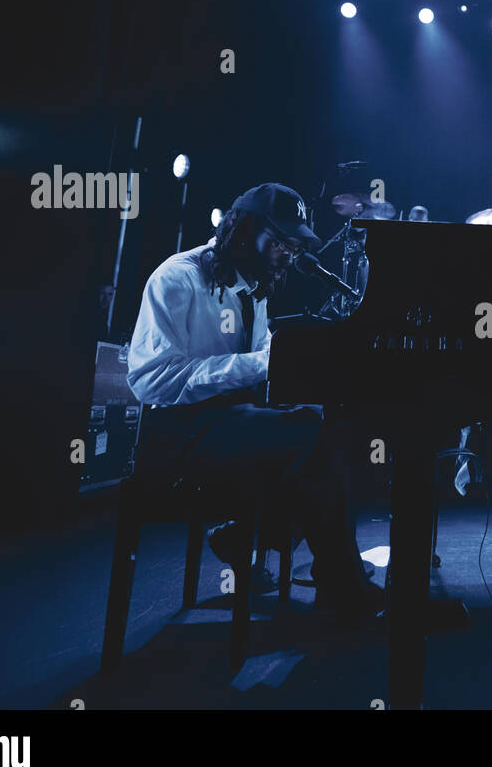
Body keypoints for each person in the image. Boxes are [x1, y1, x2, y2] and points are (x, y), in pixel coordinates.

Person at [127, 182, 382, 615]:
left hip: (230, 423)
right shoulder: (178, 277)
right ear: (244, 230)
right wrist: (261, 365)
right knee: (313, 435)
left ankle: (260, 541)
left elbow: (261, 367)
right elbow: (151, 380)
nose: (287, 251)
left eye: (293, 244)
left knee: (332, 427)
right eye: (279, 240)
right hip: (175, 434)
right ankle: (331, 579)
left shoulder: (252, 288)